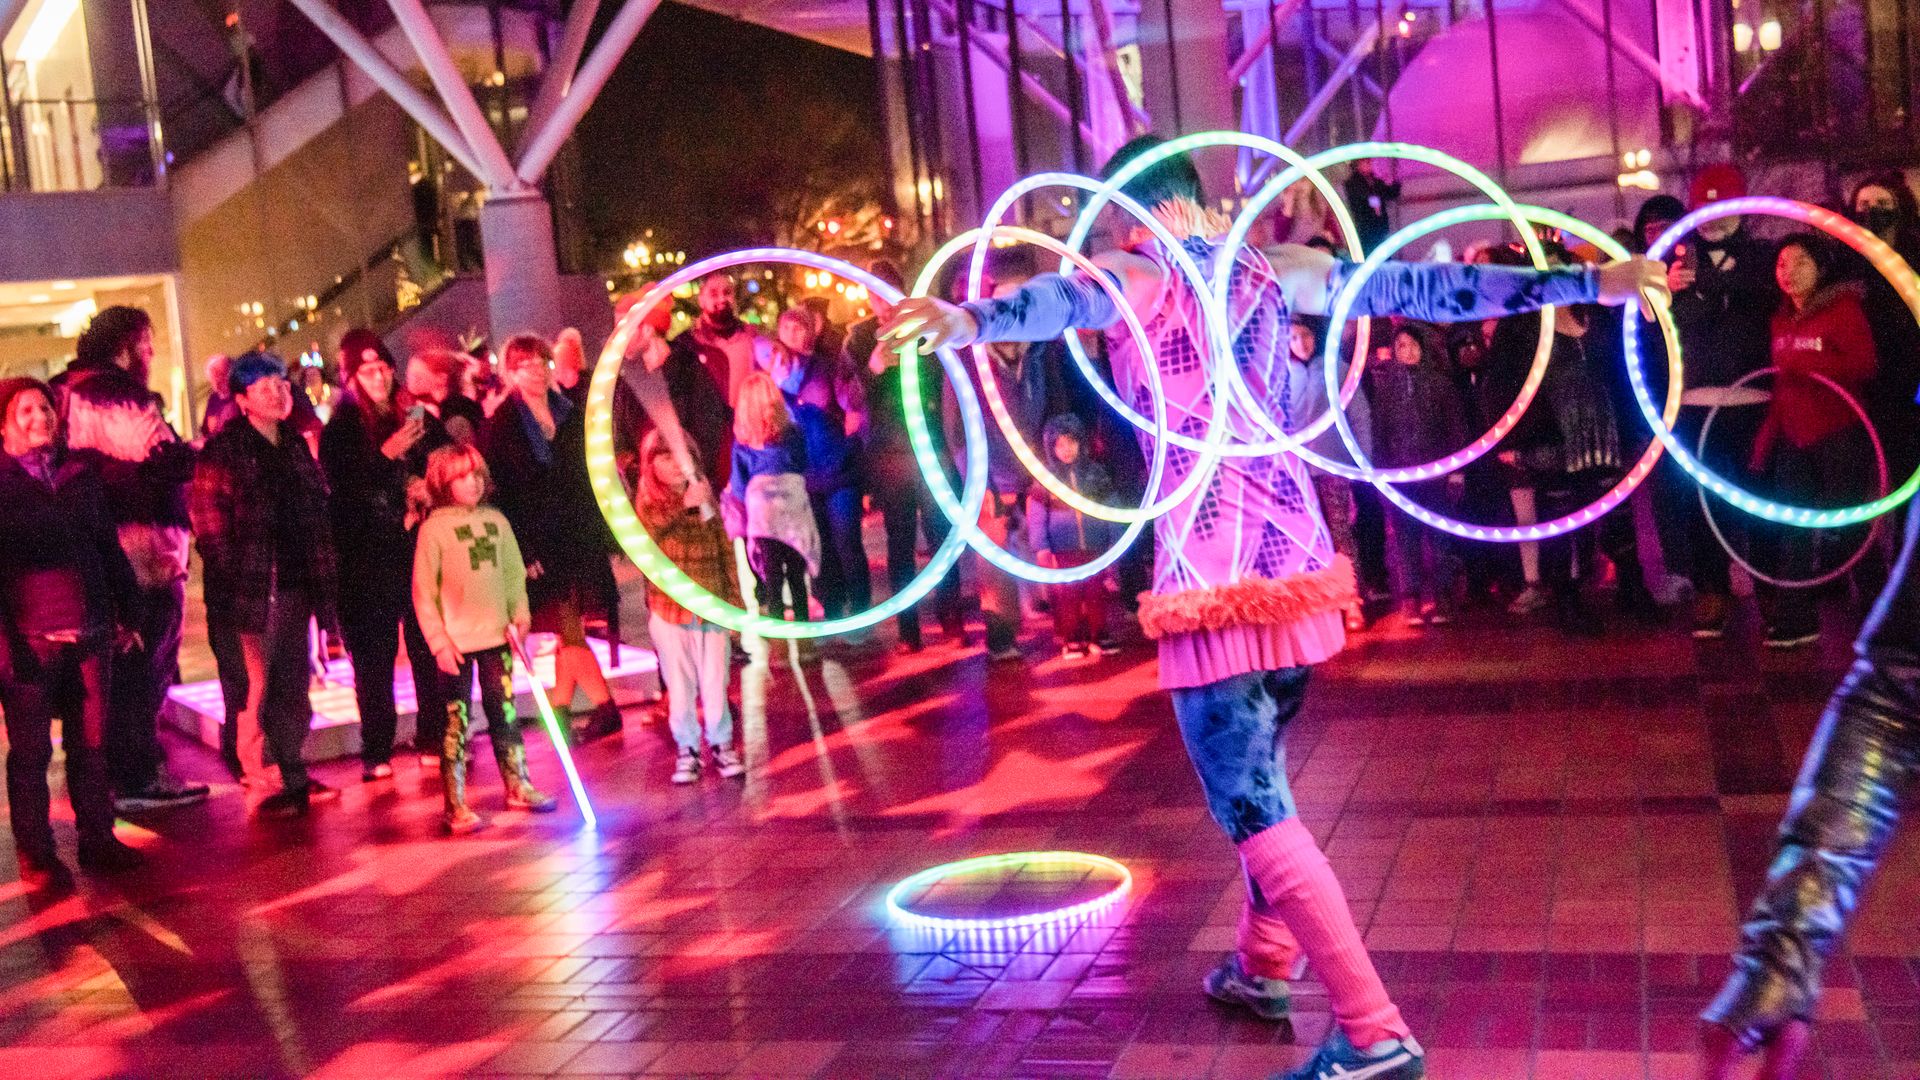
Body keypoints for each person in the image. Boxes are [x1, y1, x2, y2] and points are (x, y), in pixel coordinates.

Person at [880, 134, 1665, 1080]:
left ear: (1123, 210)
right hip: (1296, 565)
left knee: (1251, 805)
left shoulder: (1137, 270)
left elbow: (1058, 304)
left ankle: (1374, 1031)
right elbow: (1421, 293)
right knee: (1265, 779)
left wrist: (962, 321)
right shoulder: (1280, 265)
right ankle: (1261, 967)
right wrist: (1592, 285)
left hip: (1215, 585)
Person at [51, 305, 208, 813]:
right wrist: (196, 452)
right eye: (147, 342)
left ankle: (120, 776)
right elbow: (159, 454)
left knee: (115, 670)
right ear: (125, 347)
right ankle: (138, 776)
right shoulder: (113, 393)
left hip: (95, 551)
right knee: (145, 663)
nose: (152, 352)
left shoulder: (62, 391)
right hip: (142, 552)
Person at [0, 378, 146, 885]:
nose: (40, 417)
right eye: (25, 411)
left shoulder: (77, 475)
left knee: (91, 743)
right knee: (32, 752)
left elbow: (107, 547)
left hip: (90, 630)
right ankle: (38, 855)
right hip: (30, 641)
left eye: (45, 408)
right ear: (3, 425)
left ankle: (98, 840)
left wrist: (129, 611)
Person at [190, 352, 340, 817]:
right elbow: (210, 527)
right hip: (251, 591)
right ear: (241, 400)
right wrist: (236, 582)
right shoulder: (226, 449)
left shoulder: (293, 443)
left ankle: (292, 770)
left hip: (296, 584)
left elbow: (316, 510)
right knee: (257, 685)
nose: (279, 391)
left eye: (281, 382)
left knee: (292, 681)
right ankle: (264, 775)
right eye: (265, 387)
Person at [1637, 185, 1780, 639]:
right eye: (1705, 209)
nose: (1714, 219)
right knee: (1702, 503)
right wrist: (1660, 286)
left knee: (1759, 501)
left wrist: (1705, 285)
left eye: (1723, 207)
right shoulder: (1674, 263)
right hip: (1696, 401)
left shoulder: (1764, 258)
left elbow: (1765, 290)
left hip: (1753, 400)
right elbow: (1644, 315)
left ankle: (1771, 587)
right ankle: (1711, 588)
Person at [481, 334, 623, 742]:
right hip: (541, 541)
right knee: (567, 625)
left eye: (543, 362)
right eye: (527, 364)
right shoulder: (502, 425)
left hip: (578, 534)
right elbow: (503, 494)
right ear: (510, 372)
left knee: (570, 627)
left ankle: (562, 713)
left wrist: (605, 530)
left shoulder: (569, 412)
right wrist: (523, 550)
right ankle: (602, 706)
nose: (538, 370)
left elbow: (589, 475)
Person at [411, 445, 558, 833]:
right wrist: (439, 642)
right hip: (456, 645)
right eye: (460, 476)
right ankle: (455, 802)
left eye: (476, 475)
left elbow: (513, 574)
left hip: (497, 636)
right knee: (457, 723)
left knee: (505, 714)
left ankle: (518, 783)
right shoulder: (433, 530)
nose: (471, 483)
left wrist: (520, 616)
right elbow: (424, 592)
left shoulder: (497, 521)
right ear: (443, 482)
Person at [1748, 234, 1880, 650]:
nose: (1789, 272)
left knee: (1854, 527)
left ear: (1820, 268)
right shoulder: (1779, 319)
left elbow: (1865, 364)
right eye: (1782, 264)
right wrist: (1763, 444)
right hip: (1794, 438)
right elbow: (1782, 387)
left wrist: (1809, 363)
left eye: (1801, 262)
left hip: (1838, 433)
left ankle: (1882, 616)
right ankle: (1795, 619)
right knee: (1795, 528)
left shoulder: (1843, 309)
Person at [319, 329, 433, 781]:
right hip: (365, 560)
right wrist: (385, 458)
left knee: (426, 647)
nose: (379, 377)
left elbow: (439, 460)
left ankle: (431, 734)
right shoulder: (341, 430)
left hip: (415, 549)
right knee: (373, 656)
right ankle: (377, 746)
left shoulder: (411, 416)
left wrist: (427, 486)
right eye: (368, 371)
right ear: (351, 378)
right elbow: (343, 493)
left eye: (384, 367)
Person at [855, 262, 965, 653]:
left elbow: (948, 376)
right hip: (891, 456)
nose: (880, 301)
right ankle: (909, 630)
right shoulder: (860, 339)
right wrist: (874, 368)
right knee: (899, 544)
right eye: (873, 293)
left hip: (931, 448)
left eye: (886, 292)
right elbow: (851, 401)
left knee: (941, 536)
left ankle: (951, 619)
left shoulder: (924, 325)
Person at [635, 430, 744, 783]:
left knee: (716, 681)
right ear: (651, 465)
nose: (675, 466)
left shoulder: (704, 496)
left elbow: (724, 548)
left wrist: (735, 605)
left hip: (710, 604)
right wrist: (684, 505)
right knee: (679, 686)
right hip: (669, 609)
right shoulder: (649, 503)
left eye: (680, 457)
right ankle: (688, 748)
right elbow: (646, 540)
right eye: (664, 458)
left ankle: (721, 744)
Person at [762, 311, 869, 623]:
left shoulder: (828, 367)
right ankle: (834, 609)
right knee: (818, 548)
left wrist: (848, 448)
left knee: (847, 541)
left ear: (811, 331)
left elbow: (853, 408)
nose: (793, 333)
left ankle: (861, 612)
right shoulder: (772, 375)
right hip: (803, 477)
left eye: (800, 327)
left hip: (838, 472)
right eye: (786, 327)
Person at [1369, 323, 1470, 625]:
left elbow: (1456, 430)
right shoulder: (1386, 389)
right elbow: (1380, 434)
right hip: (1402, 478)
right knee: (1407, 541)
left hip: (1436, 477)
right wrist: (1382, 476)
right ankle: (1411, 599)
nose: (1407, 351)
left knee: (1440, 540)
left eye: (1412, 345)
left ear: (1422, 348)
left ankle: (1442, 598)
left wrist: (1456, 473)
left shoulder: (1440, 384)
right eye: (1400, 346)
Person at [1284, 316, 1374, 631]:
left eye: (1305, 336)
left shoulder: (1334, 367)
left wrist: (1364, 460)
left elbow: (1359, 412)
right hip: (1298, 473)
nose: (1300, 343)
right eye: (1293, 338)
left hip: (1333, 465)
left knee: (1340, 534)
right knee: (1308, 539)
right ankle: (1321, 604)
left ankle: (1352, 601)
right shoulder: (1283, 374)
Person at [1026, 414, 1119, 659]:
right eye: (1060, 445)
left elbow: (1112, 506)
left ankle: (1100, 635)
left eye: (1071, 443)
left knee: (1096, 593)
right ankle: (1073, 638)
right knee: (1066, 596)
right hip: (1063, 549)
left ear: (1081, 443)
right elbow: (1036, 516)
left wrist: (1114, 538)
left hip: (1094, 546)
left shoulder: (1096, 474)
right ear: (1051, 447)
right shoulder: (1045, 479)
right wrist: (1042, 547)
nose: (1066, 450)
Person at [729, 371, 818, 626]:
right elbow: (802, 464)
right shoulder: (793, 434)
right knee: (797, 574)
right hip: (792, 507)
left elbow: (738, 485)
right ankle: (804, 634)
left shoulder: (743, 443)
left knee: (772, 576)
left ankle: (778, 636)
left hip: (763, 514)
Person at [686, 273, 760, 408]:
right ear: (701, 300)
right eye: (713, 294)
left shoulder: (751, 337)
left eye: (727, 292)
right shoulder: (688, 343)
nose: (722, 299)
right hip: (708, 426)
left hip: (746, 423)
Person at [406, 347, 485, 447]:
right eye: (408, 374)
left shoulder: (457, 415)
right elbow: (412, 442)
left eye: (417, 376)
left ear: (441, 379)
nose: (409, 380)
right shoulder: (418, 405)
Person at [1343, 158, 1402, 253]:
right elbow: (1361, 198)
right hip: (1365, 227)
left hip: (1381, 226)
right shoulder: (1352, 183)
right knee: (1370, 253)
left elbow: (1391, 194)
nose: (1369, 165)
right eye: (1366, 162)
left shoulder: (1376, 182)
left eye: (1370, 162)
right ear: (1358, 164)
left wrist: (1395, 179)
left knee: (1384, 254)